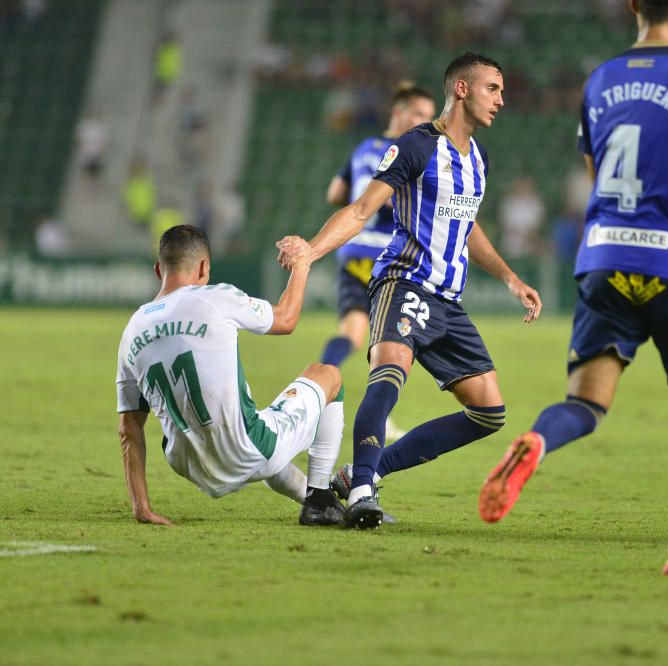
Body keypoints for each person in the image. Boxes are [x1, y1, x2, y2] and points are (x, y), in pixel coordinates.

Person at [478, 0, 668, 579]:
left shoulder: (600, 78)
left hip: (603, 254)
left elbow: (592, 165)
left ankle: (536, 442)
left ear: (631, 6)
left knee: (585, 402)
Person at [278, 52, 542, 529]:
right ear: (461, 89)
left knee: (489, 412)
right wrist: (311, 252)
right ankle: (362, 492)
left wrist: (510, 277)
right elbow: (361, 209)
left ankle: (363, 472)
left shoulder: (477, 159)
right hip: (404, 281)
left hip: (447, 299)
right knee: (389, 370)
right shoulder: (418, 146)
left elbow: (467, 227)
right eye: (492, 89)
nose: (501, 100)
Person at [116, 225, 347, 527]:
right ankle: (319, 500)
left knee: (261, 439)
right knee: (328, 374)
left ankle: (315, 495)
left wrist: (141, 507)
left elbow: (128, 429)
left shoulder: (131, 330)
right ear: (204, 267)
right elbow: (286, 318)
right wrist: (302, 264)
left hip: (189, 464)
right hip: (242, 448)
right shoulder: (214, 297)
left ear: (159, 269)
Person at [318, 81, 437, 442]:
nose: (424, 123)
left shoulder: (363, 148)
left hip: (353, 251)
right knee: (396, 344)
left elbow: (335, 193)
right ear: (398, 112)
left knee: (353, 334)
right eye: (418, 114)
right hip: (386, 259)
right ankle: (379, 419)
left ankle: (318, 391)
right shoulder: (405, 152)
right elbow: (388, 200)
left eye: (429, 118)